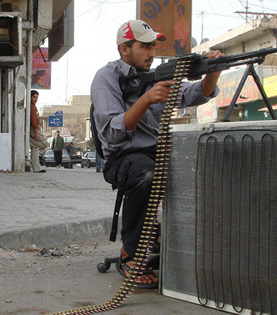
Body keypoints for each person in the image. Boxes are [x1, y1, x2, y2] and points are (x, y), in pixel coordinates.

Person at [91, 19, 223, 288]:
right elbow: (114, 133)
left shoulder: (159, 75)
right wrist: (146, 99)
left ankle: (169, 237)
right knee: (146, 173)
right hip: (123, 157)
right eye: (144, 46)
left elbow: (196, 93)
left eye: (153, 46)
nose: (151, 53)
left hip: (158, 151)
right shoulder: (107, 77)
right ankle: (131, 253)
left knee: (206, 168)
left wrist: (213, 72)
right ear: (124, 49)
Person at [29, 90, 48, 173]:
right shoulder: (31, 106)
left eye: (37, 97)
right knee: (45, 144)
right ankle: (29, 141)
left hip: (35, 128)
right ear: (30, 97)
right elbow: (33, 120)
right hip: (34, 129)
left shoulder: (34, 106)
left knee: (35, 148)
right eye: (34, 97)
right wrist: (36, 131)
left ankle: (37, 168)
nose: (35, 99)